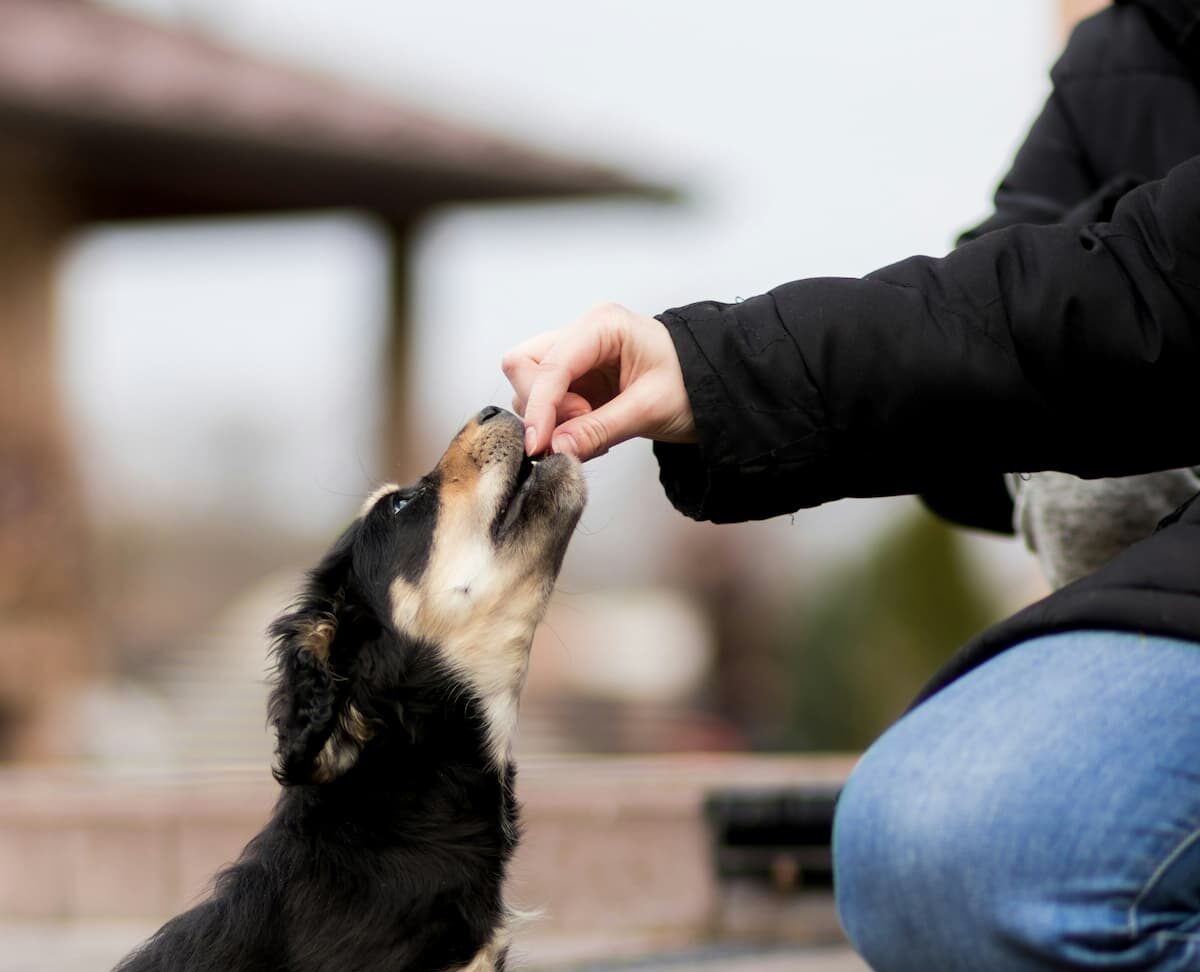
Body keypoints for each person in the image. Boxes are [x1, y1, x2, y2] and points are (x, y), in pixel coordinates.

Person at [502, 3, 1200, 971]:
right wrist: (709, 373)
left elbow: (1119, 295)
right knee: (925, 843)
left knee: (997, 851)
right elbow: (1014, 331)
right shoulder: (1119, 59)